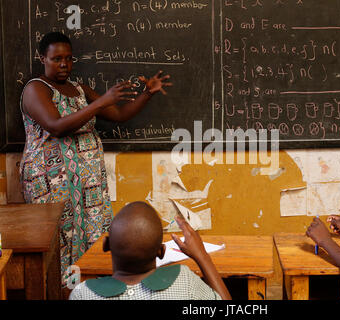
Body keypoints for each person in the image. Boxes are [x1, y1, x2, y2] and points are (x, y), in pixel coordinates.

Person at [19, 32, 172, 285]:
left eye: (68, 58)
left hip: (88, 188)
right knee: (57, 242)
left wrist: (147, 93)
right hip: (52, 186)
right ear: (42, 58)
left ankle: (89, 291)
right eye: (57, 58)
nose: (64, 64)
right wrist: (99, 103)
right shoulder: (36, 89)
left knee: (92, 239)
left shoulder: (78, 89)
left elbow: (119, 114)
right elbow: (56, 126)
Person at [69, 201, 232, 300]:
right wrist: (202, 255)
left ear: (106, 245)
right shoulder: (185, 280)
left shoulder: (82, 293)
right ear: (161, 252)